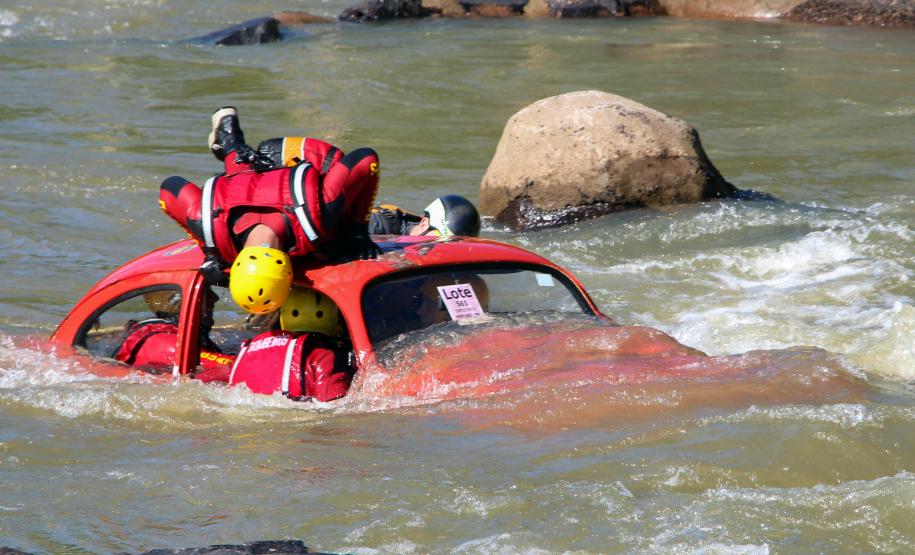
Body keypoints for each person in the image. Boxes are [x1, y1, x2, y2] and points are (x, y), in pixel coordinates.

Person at [159, 107, 381, 313]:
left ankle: (231, 141)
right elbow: (168, 190)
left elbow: (366, 159)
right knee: (240, 172)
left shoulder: (318, 214)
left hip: (306, 158)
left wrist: (357, 231)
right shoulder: (210, 229)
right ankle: (228, 135)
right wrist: (208, 250)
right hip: (250, 177)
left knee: (335, 239)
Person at [226, 287, 355, 401]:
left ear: (283, 315)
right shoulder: (325, 356)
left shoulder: (247, 349)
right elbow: (335, 403)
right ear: (334, 318)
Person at [368, 195, 481, 238]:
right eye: (441, 239)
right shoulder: (378, 228)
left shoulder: (428, 230)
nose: (446, 248)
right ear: (424, 224)